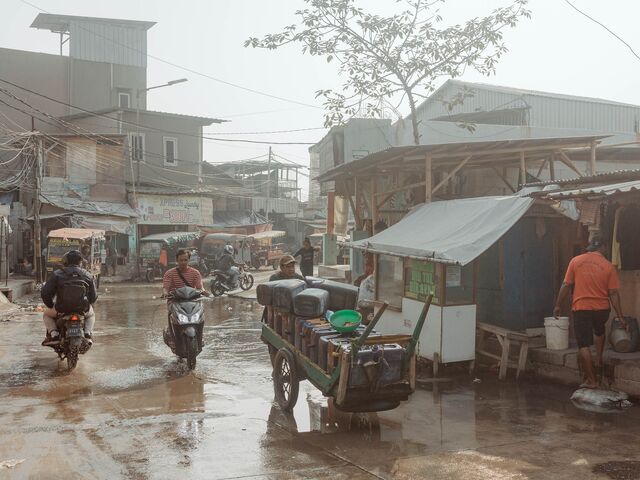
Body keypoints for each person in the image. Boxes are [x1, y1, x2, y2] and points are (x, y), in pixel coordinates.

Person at [553, 234, 626, 389]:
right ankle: (598, 359)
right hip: (602, 310)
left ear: (590, 247)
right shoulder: (608, 266)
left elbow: (566, 285)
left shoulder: (575, 261)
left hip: (581, 309)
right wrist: (620, 316)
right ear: (603, 247)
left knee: (584, 345)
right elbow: (613, 293)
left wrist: (558, 305)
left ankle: (591, 381)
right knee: (599, 331)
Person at [40, 249, 98, 346]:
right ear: (80, 262)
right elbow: (93, 297)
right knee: (91, 315)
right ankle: (87, 333)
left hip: (61, 308)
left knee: (46, 314)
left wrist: (50, 305)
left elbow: (45, 293)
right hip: (82, 309)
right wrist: (88, 304)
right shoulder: (87, 275)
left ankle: (54, 333)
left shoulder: (57, 274)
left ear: (65, 261)